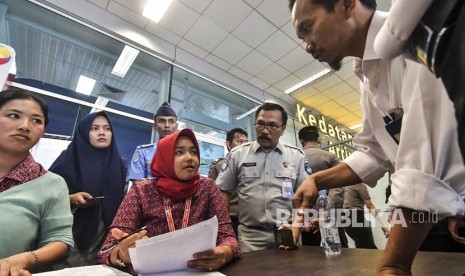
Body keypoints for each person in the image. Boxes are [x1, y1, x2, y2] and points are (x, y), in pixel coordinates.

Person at [288, 0, 465, 274]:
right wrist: (316, 179)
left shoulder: (414, 38)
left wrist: (393, 263)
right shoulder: (367, 76)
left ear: (346, 5)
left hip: (447, 211)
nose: (308, 45)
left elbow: (423, 160)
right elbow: (374, 152)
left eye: (308, 28)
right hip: (425, 217)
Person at [97, 128, 240, 272]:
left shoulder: (207, 187)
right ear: (164, 157)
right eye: (179, 152)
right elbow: (106, 251)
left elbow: (228, 235)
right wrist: (121, 255)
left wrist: (225, 253)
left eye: (194, 152)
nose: (189, 157)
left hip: (197, 271)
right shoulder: (142, 190)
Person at [216, 102, 311, 252]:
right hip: (249, 237)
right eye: (260, 124)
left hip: (286, 232)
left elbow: (306, 196)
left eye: (272, 126)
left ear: (283, 130)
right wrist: (223, 229)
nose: (264, 131)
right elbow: (222, 192)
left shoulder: (296, 156)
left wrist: (297, 226)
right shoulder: (238, 154)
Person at [0, 88, 73, 274]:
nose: (25, 126)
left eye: (36, 121)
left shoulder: (52, 184)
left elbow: (60, 241)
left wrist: (23, 260)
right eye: (13, 115)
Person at [49, 111, 127, 266]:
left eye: (107, 128)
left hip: (104, 234)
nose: (102, 133)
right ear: (84, 132)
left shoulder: (118, 163)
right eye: (94, 128)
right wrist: (70, 199)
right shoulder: (68, 158)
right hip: (68, 230)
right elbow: (44, 194)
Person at [298, 125, 348, 247]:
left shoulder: (296, 157)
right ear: (318, 140)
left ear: (301, 140)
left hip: (306, 213)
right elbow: (339, 186)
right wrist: (327, 209)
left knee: (310, 250)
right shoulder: (330, 156)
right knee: (338, 247)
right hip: (328, 211)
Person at [208, 127, 248, 236]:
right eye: (239, 142)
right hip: (231, 218)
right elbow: (212, 195)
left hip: (249, 218)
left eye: (246, 142)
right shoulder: (220, 165)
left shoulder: (252, 165)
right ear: (229, 144)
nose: (243, 145)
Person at [128, 101, 178, 182]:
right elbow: (137, 186)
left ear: (176, 126)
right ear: (154, 126)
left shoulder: (184, 154)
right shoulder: (143, 152)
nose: (167, 125)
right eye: (162, 121)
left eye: (171, 121)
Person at [343, 184, 389, 249]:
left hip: (346, 220)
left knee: (362, 247)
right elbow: (369, 205)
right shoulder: (358, 185)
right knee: (369, 249)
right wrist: (383, 225)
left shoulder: (347, 186)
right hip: (356, 218)